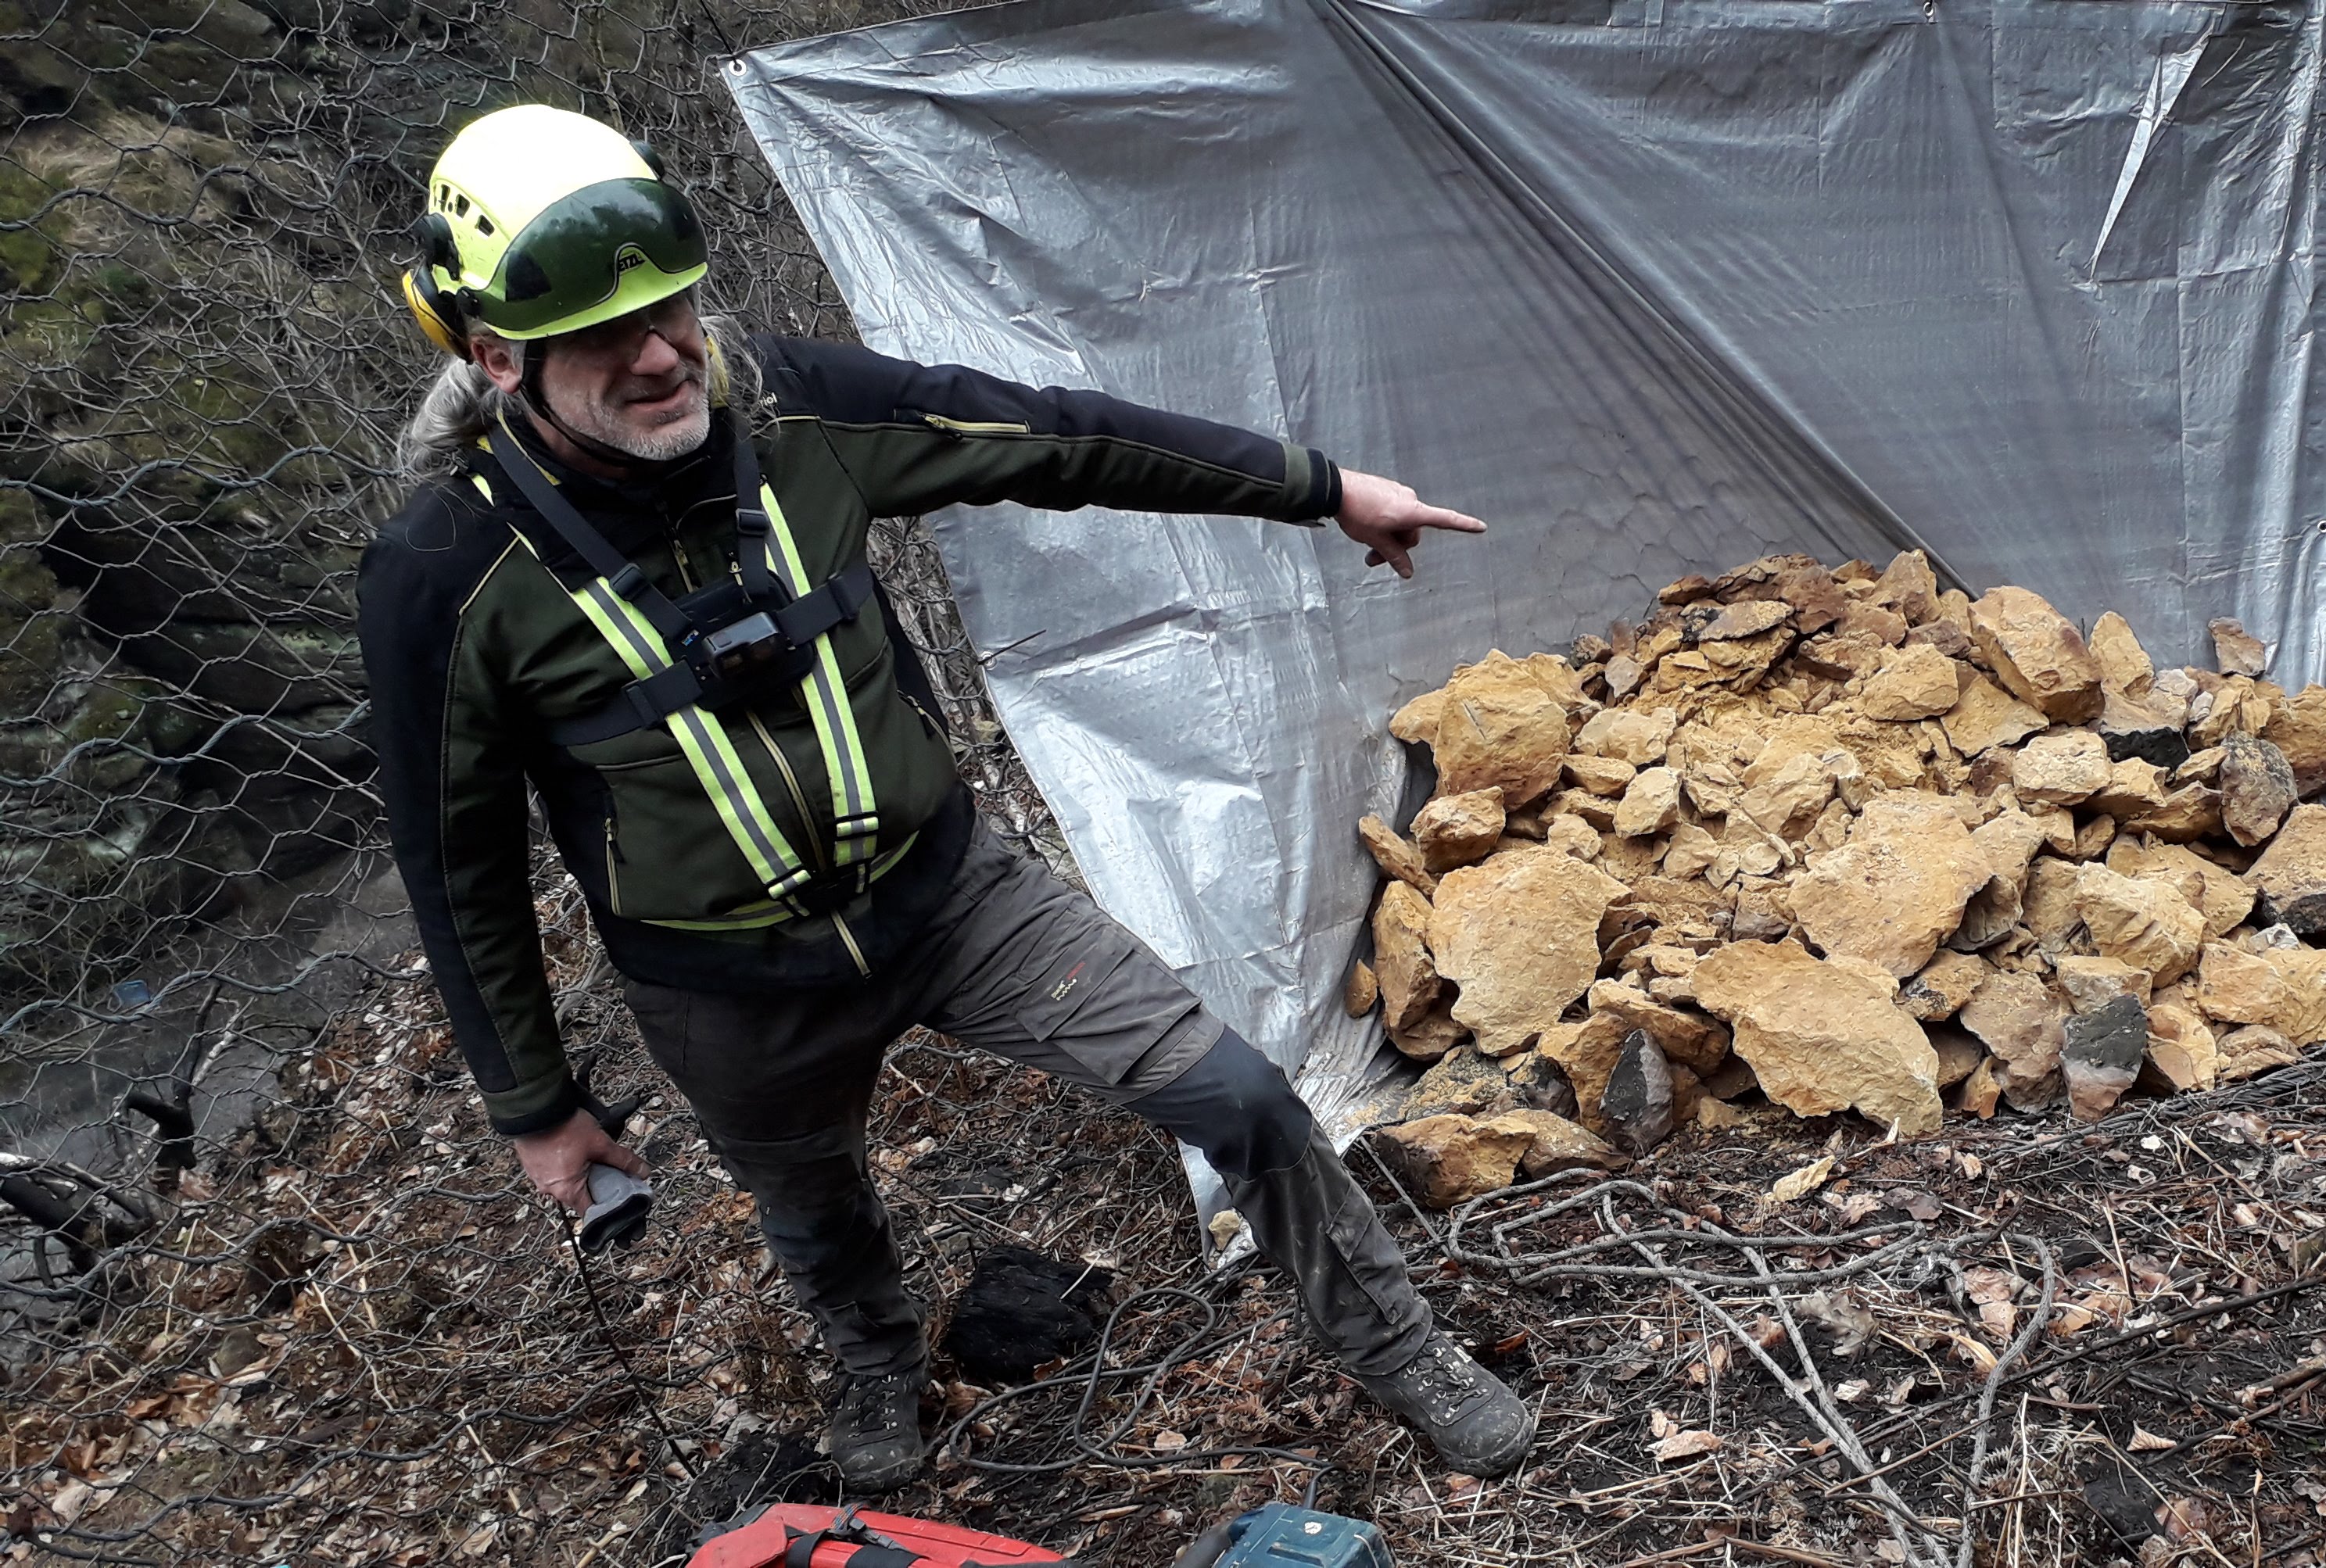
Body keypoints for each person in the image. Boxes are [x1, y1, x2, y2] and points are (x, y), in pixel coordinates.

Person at [358, 104, 1529, 1490]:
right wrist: (535, 1103)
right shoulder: (446, 571)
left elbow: (1050, 437)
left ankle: (1401, 1350)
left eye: (670, 308)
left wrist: (1319, 488)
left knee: (1243, 1094)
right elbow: (458, 858)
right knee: (814, 1210)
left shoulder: (790, 411)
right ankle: (874, 1361)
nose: (665, 353)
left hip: (953, 894)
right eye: (608, 337)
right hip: (727, 987)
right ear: (496, 356)